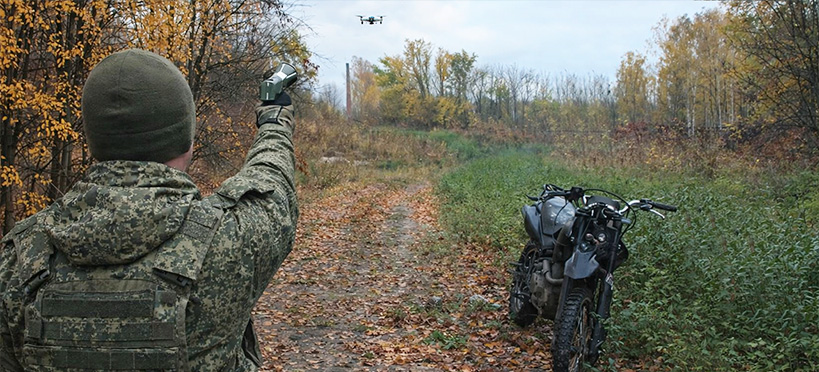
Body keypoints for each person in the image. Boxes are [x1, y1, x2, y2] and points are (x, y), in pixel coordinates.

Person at [0, 49, 297, 371]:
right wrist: (274, 117)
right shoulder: (234, 240)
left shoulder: (18, 257)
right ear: (187, 139)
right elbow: (271, 176)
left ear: (93, 139)